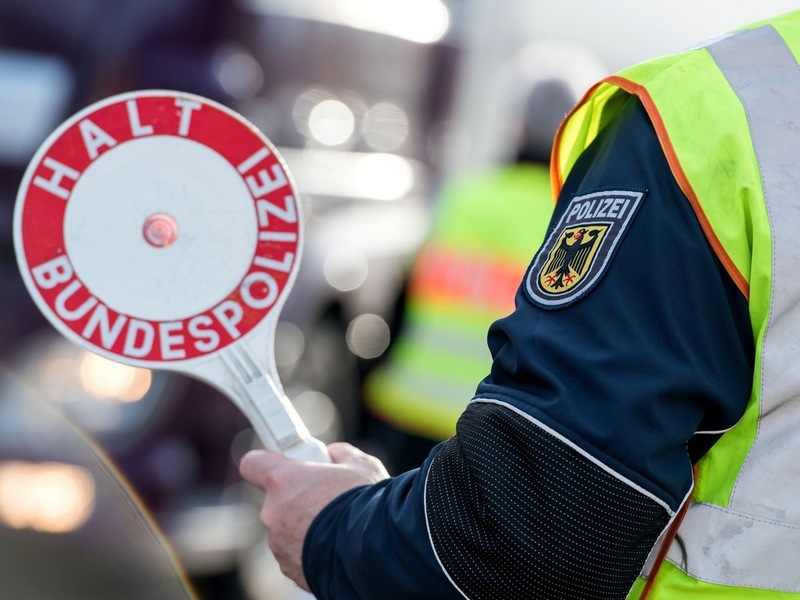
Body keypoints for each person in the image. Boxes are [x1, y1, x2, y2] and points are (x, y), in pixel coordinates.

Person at [239, 10, 800, 599]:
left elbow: (540, 535)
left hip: (453, 442)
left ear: (517, 123)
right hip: (483, 446)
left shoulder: (714, 120)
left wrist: (334, 530)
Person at [360, 76, 579, 474]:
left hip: (407, 411)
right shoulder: (573, 225)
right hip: (491, 435)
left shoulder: (463, 194)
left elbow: (402, 297)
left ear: (518, 126)